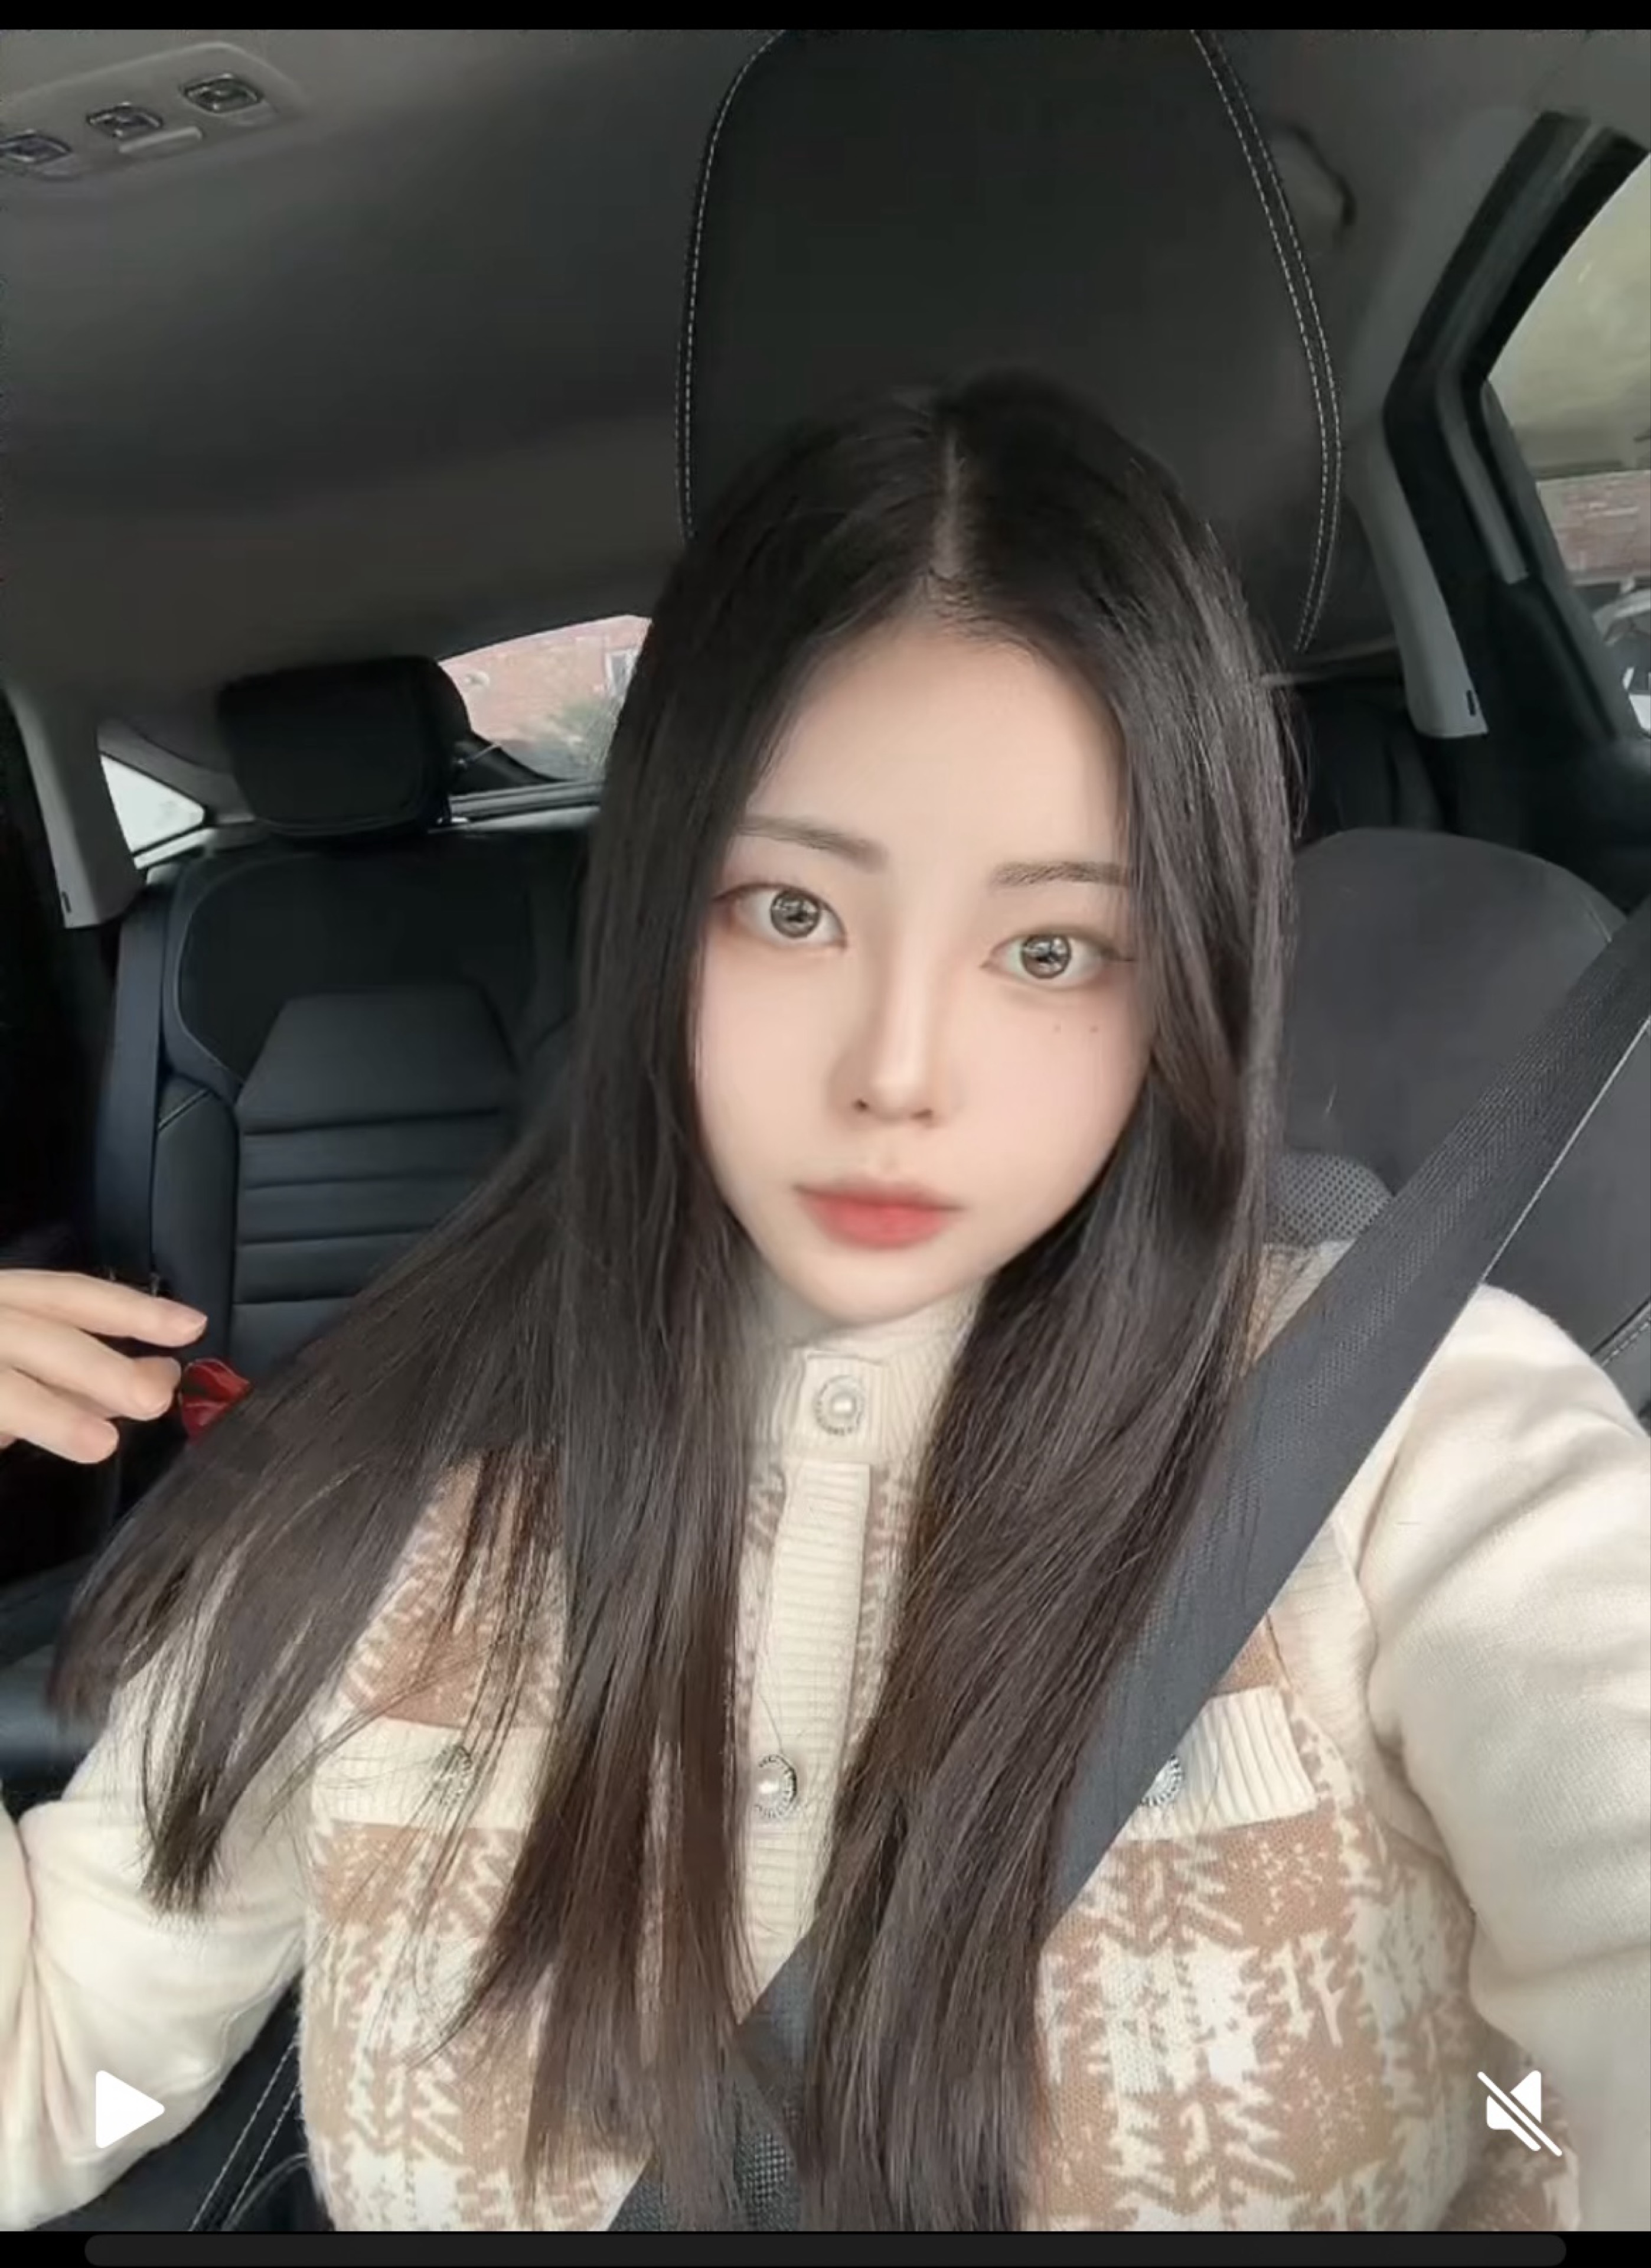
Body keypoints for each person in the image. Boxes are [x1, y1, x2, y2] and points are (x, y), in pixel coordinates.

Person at [1, 375, 1647, 2235]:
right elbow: (57, 2083)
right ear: (658, 918)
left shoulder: (1419, 1447)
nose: (896, 1071)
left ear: (1186, 977)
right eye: (792, 913)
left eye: (1049, 949)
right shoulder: (369, 1490)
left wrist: (1538, 2136)